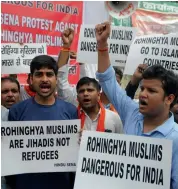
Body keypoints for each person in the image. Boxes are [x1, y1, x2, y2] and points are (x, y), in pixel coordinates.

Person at [95, 22, 178, 189]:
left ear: (169, 99)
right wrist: (102, 44)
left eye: (152, 91)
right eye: (142, 88)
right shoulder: (131, 112)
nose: (143, 94)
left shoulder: (175, 138)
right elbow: (107, 80)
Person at [6, 55, 78, 189]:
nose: (44, 79)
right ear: (31, 79)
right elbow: (11, 157)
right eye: (39, 74)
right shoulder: (16, 111)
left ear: (56, 79)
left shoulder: (71, 111)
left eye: (49, 74)